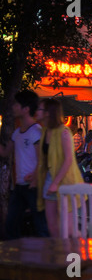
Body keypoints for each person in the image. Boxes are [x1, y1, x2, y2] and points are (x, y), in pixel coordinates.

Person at [0, 90, 49, 239]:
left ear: (26, 109)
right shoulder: (17, 133)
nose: (13, 107)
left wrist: (35, 177)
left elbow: (43, 159)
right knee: (11, 224)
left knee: (40, 225)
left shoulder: (36, 131)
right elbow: (5, 153)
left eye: (16, 104)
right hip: (20, 186)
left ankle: (49, 257)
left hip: (33, 185)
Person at [35, 98, 83, 237]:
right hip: (50, 178)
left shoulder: (64, 132)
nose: (37, 111)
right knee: (52, 225)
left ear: (48, 113)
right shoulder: (45, 131)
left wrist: (55, 183)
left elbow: (68, 159)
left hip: (65, 180)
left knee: (67, 227)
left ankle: (74, 255)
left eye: (40, 109)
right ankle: (60, 255)